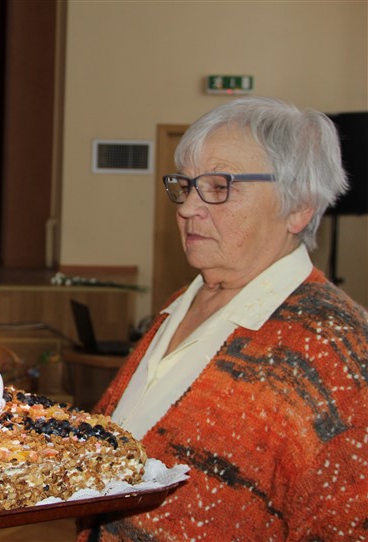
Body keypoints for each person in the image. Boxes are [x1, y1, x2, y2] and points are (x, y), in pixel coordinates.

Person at [78, 96, 368, 541]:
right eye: (186, 184)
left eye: (218, 186)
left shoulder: (338, 351)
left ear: (299, 207)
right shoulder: (182, 302)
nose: (187, 207)